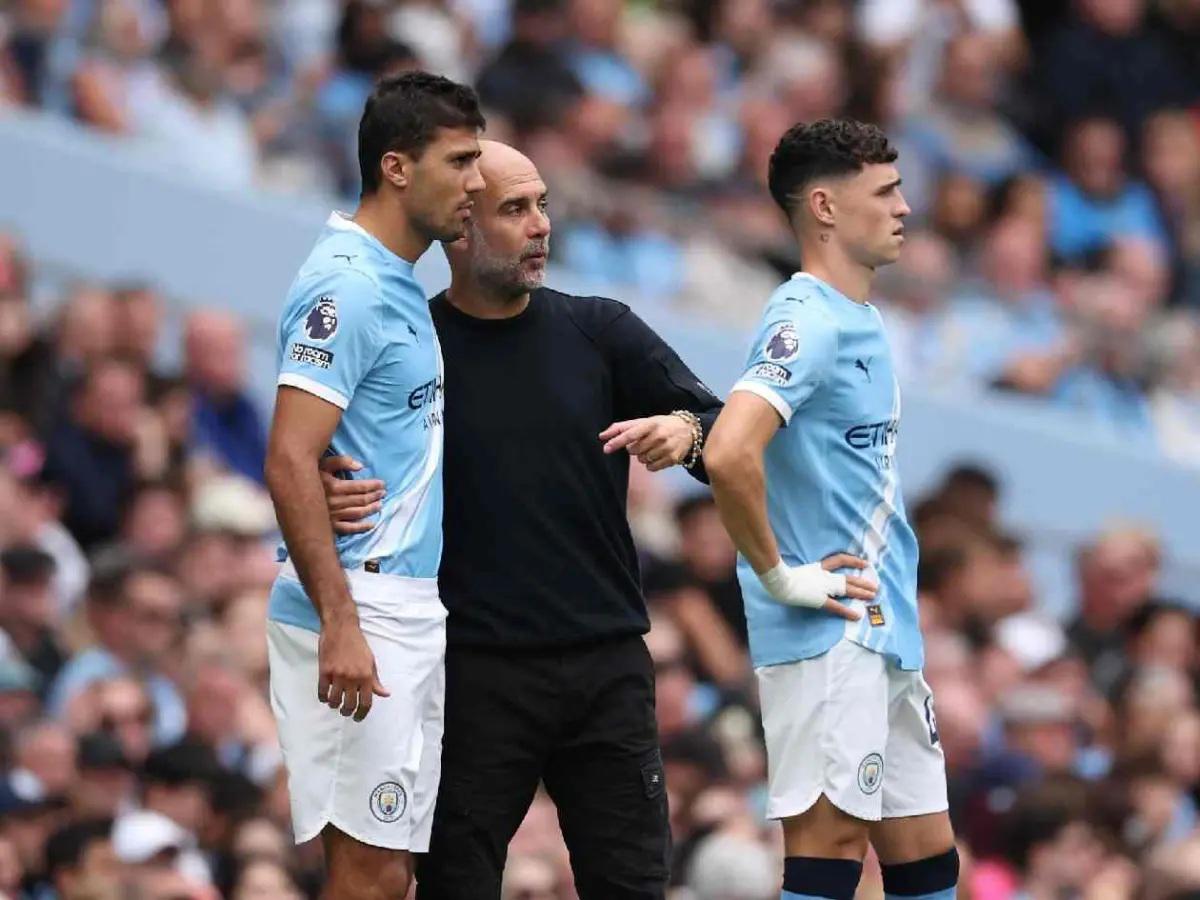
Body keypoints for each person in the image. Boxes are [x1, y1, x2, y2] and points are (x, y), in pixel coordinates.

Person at [321, 139, 722, 899]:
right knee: (455, 884)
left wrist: (687, 432)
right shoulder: (412, 343)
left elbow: (723, 427)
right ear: (459, 228)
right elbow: (320, 450)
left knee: (634, 885)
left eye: (543, 205)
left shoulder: (600, 330)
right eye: (516, 209)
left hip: (606, 667)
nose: (541, 225)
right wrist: (325, 483)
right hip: (471, 672)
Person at [703, 119, 959, 900]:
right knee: (829, 852)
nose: (905, 208)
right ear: (823, 206)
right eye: (885, 192)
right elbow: (728, 451)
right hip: (826, 634)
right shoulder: (805, 320)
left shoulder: (862, 318)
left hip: (883, 628)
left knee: (926, 856)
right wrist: (782, 577)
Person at [262, 71, 485, 900]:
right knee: (370, 874)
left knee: (388, 873)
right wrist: (340, 622)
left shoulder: (397, 280)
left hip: (401, 604)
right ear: (397, 168)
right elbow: (290, 455)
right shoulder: (348, 285)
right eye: (460, 161)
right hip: (361, 603)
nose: (476, 181)